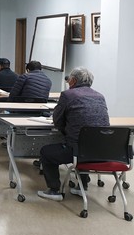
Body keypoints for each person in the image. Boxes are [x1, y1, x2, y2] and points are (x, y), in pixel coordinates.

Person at [37, 67, 109, 201]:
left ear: (73, 81)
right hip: (102, 151)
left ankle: (54, 190)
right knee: (86, 146)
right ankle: (83, 186)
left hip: (76, 151)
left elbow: (57, 121)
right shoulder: (100, 96)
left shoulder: (67, 95)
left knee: (46, 152)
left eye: (69, 79)